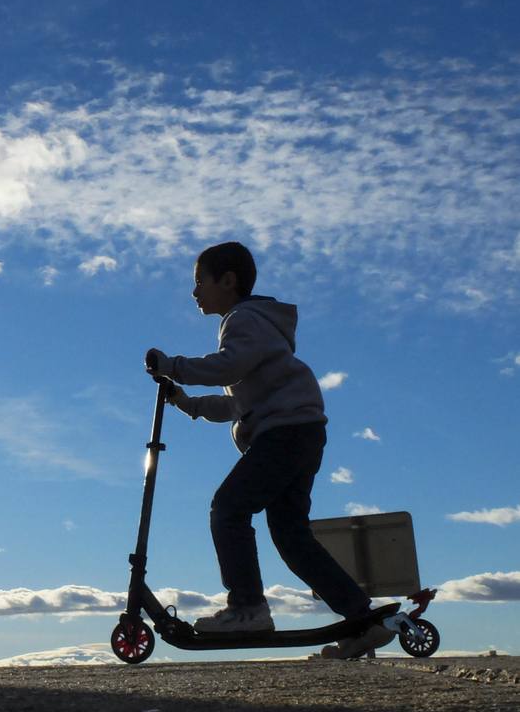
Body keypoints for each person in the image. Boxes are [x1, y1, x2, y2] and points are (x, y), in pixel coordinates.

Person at [145, 241, 394, 659]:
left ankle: (247, 607)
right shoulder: (255, 327)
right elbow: (234, 402)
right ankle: (360, 619)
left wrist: (174, 365)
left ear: (228, 281)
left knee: (228, 509)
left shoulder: (243, 320)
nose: (194, 293)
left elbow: (227, 367)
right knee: (291, 536)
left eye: (199, 282)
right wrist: (183, 400)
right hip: (299, 431)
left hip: (285, 434)